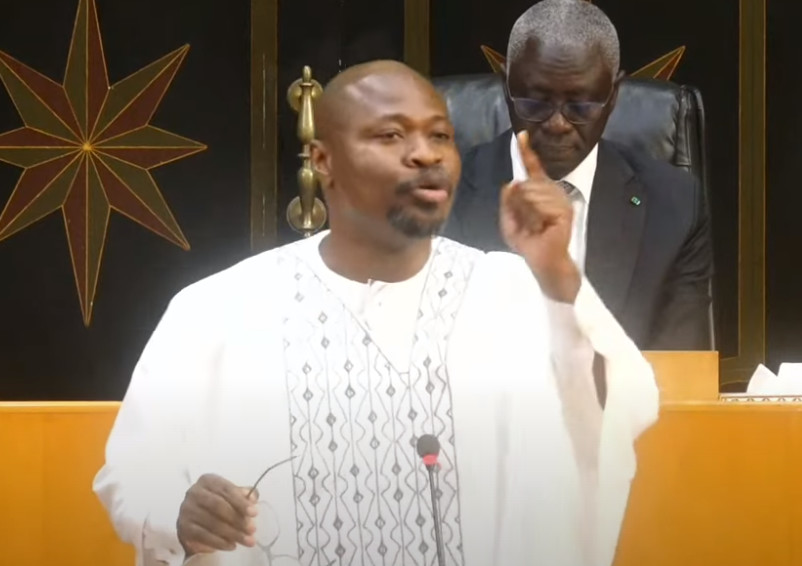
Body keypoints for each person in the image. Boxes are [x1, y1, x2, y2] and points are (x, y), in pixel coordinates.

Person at [93, 60, 658, 566]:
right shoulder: (220, 309)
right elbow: (131, 473)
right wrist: (180, 515)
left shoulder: (512, 291)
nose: (425, 153)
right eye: (391, 134)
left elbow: (620, 411)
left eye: (440, 136)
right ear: (323, 160)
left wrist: (558, 273)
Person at [443, 0, 714, 351]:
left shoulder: (674, 207)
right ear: (507, 87)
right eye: (536, 102)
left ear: (613, 95)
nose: (558, 124)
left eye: (581, 105)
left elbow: (679, 372)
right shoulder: (442, 196)